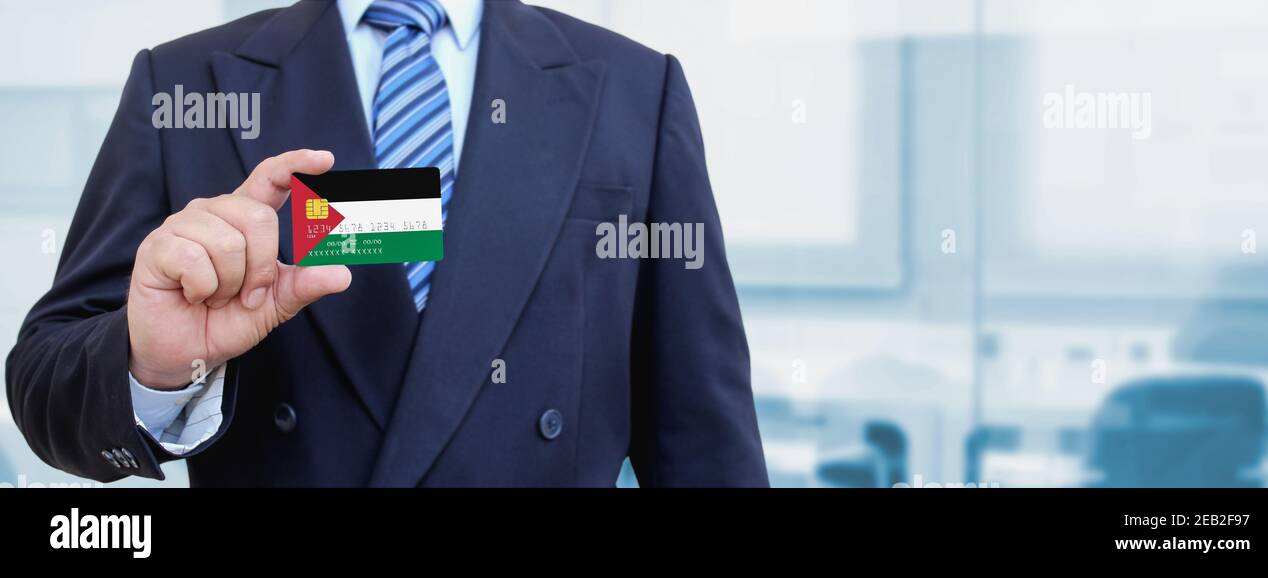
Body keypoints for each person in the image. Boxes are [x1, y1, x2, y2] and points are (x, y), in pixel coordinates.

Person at [5, 0, 767, 487]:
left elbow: (705, 444)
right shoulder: (185, 83)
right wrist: (154, 367)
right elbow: (45, 385)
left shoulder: (638, 88)